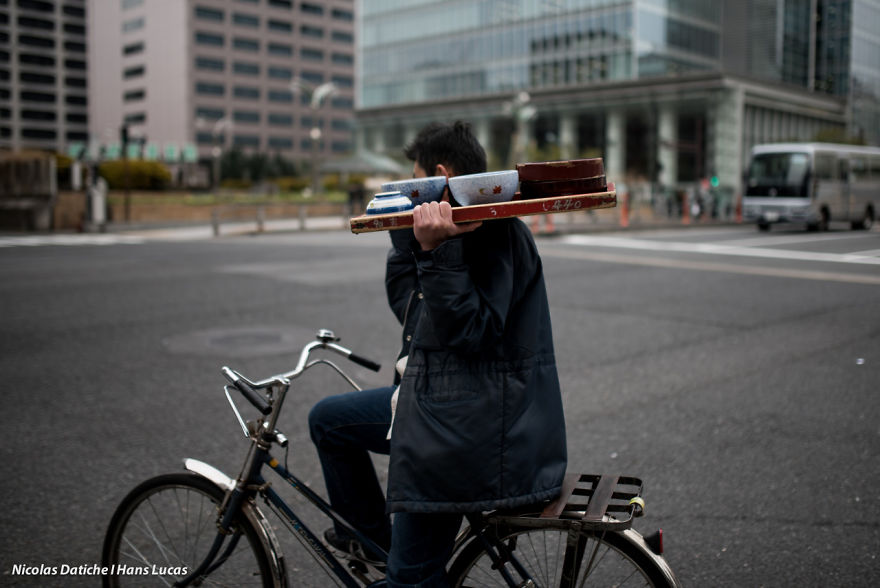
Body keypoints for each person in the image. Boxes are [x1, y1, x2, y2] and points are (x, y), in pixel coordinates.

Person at [309, 121, 567, 587]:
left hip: (469, 423)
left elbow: (472, 333)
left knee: (412, 579)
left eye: (414, 180)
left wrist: (436, 253)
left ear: (439, 175)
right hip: (446, 401)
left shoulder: (495, 234)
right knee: (329, 421)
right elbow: (411, 309)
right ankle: (376, 545)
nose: (409, 192)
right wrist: (416, 241)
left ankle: (403, 570)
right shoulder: (450, 232)